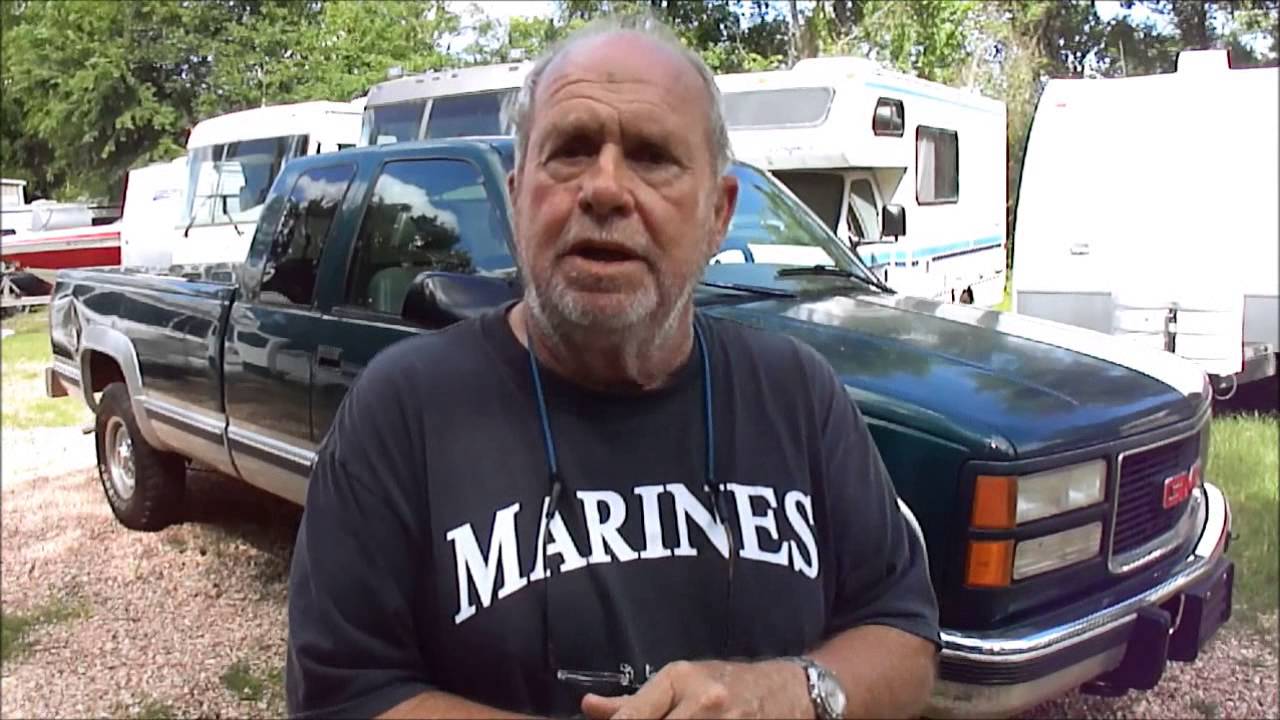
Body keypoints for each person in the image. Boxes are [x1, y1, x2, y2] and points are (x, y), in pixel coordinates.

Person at [285, 13, 940, 720]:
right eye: (570, 150)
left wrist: (793, 691)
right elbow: (343, 694)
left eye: (653, 156)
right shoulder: (403, 411)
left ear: (718, 215)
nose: (604, 188)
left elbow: (904, 634)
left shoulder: (797, 395)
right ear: (516, 199)